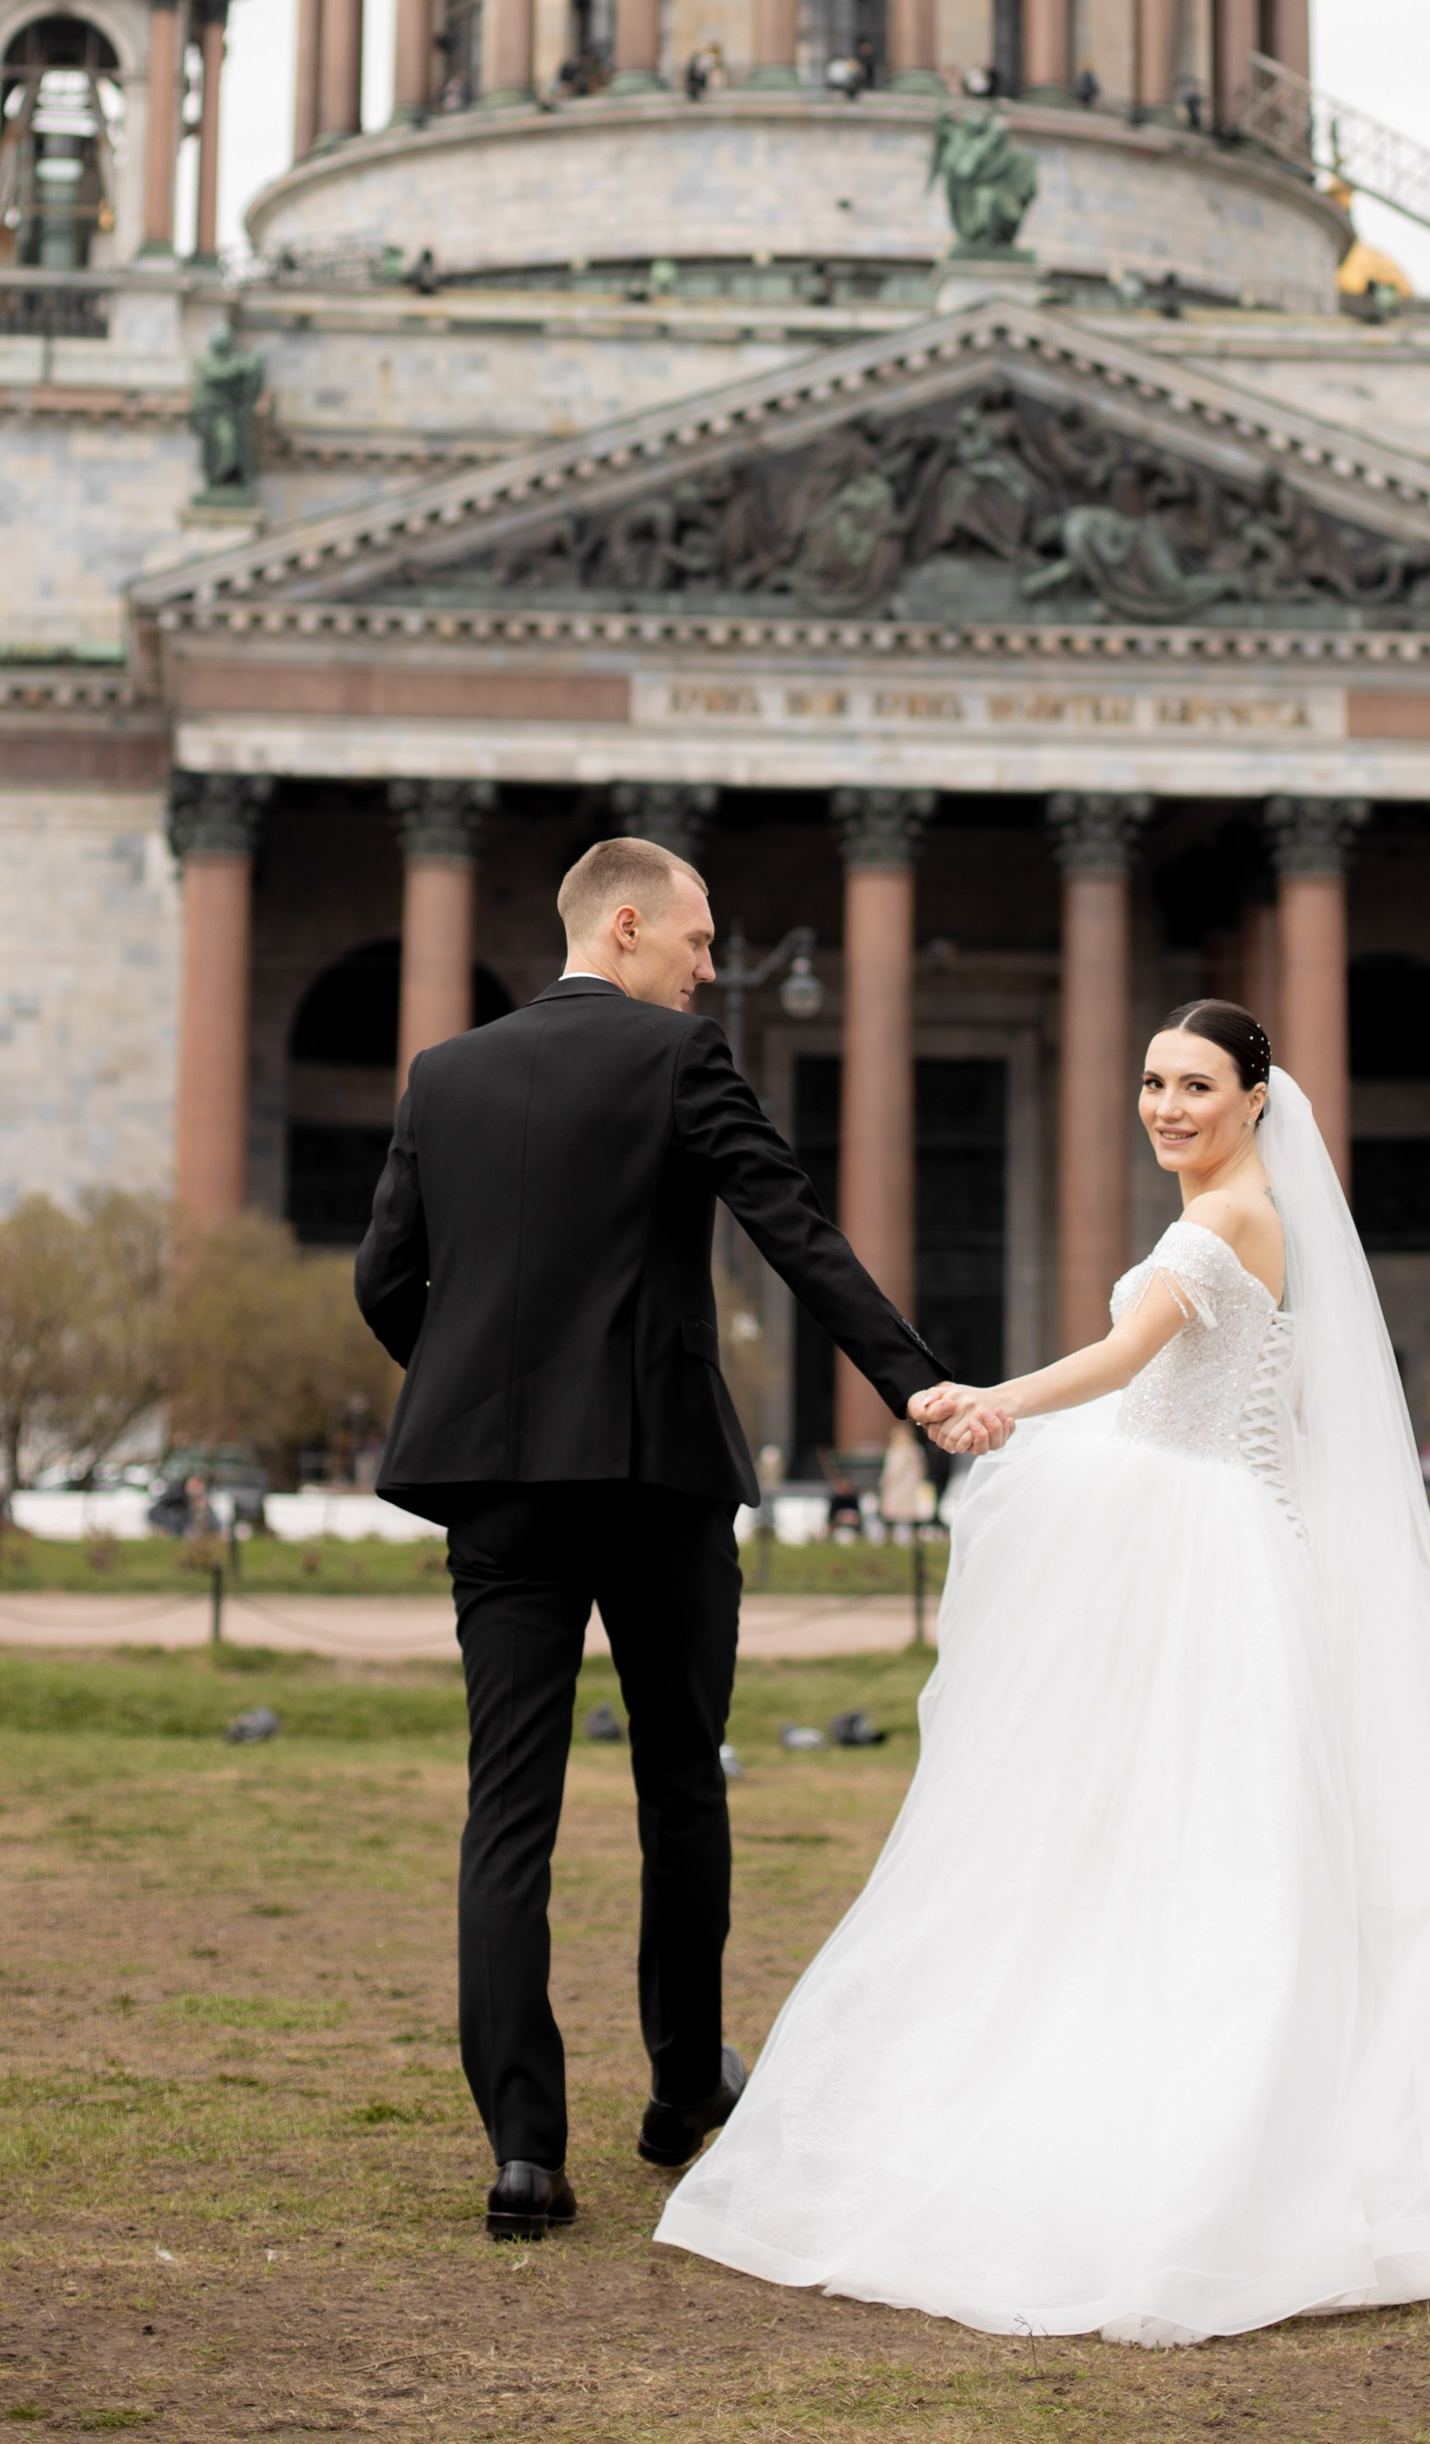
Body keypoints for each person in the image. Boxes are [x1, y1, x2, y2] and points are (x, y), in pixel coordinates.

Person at [658, 1005, 1430, 2340]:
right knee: (1189, 1825)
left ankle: (1218, 2116)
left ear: (1258, 1095)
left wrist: (971, 1401)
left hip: (1196, 1543)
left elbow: (1120, 1359)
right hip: (1217, 1527)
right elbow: (1268, 1402)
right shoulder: (1249, 1219)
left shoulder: (1222, 1225)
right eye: (1152, 1082)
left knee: (1183, 1826)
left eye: (1195, 1085)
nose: (1165, 1106)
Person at [353, 835, 975, 2242]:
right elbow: (796, 1235)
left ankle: (524, 2151)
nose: (711, 967)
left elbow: (386, 1280)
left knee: (506, 1805)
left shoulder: (443, 1077)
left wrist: (473, 1392)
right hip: (655, 1476)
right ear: (625, 927)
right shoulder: (680, 1066)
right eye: (697, 941)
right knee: (680, 1784)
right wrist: (916, 1386)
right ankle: (685, 2084)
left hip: (497, 1486)